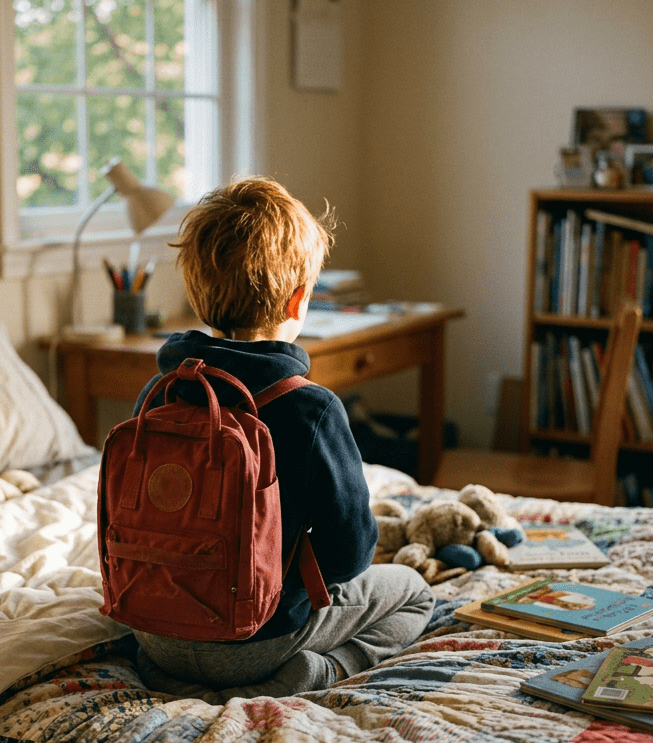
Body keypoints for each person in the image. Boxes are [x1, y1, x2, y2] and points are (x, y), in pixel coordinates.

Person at [130, 177, 435, 700]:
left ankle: (177, 674)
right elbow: (350, 555)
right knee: (415, 594)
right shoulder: (310, 407)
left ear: (197, 294)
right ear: (298, 301)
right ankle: (325, 672)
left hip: (154, 633)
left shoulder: (160, 393)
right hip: (259, 640)